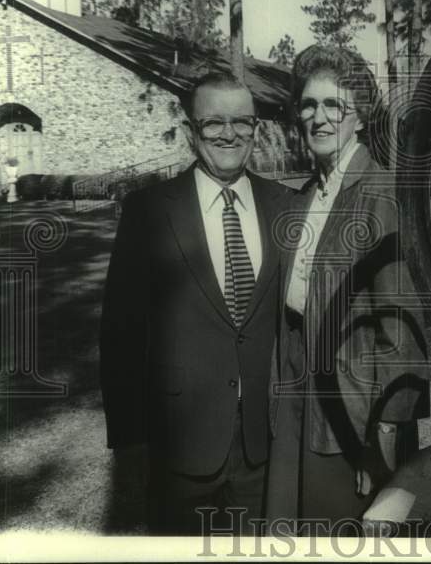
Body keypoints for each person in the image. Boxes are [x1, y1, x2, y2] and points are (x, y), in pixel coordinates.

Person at [100, 71, 290, 535]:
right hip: (177, 447)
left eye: (243, 122)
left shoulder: (287, 206)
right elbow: (120, 335)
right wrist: (130, 444)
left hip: (264, 446)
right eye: (214, 123)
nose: (230, 134)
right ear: (190, 131)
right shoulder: (148, 210)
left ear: (256, 129)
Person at [267, 45, 429, 531]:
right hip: (298, 390)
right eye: (309, 105)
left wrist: (382, 433)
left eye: (334, 105)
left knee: (339, 531)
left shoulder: (380, 195)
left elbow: (403, 331)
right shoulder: (304, 197)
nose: (319, 117)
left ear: (359, 117)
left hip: (352, 407)